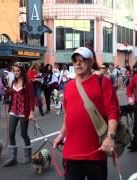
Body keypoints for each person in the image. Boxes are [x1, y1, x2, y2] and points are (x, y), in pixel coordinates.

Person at [53, 47, 119, 180]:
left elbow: (113, 112)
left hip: (96, 151)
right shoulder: (69, 86)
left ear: (91, 62)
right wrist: (61, 135)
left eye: (82, 60)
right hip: (71, 152)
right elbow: (68, 116)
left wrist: (110, 137)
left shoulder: (103, 82)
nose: (78, 63)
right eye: (75, 60)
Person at [3, 62, 35, 167]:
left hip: (23, 111)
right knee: (11, 133)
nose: (16, 73)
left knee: (23, 134)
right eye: (14, 71)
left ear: (22, 71)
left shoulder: (28, 83)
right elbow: (12, 93)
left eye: (18, 71)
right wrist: (7, 95)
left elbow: (31, 99)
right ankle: (13, 158)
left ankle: (28, 156)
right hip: (13, 110)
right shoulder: (13, 82)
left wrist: (31, 112)